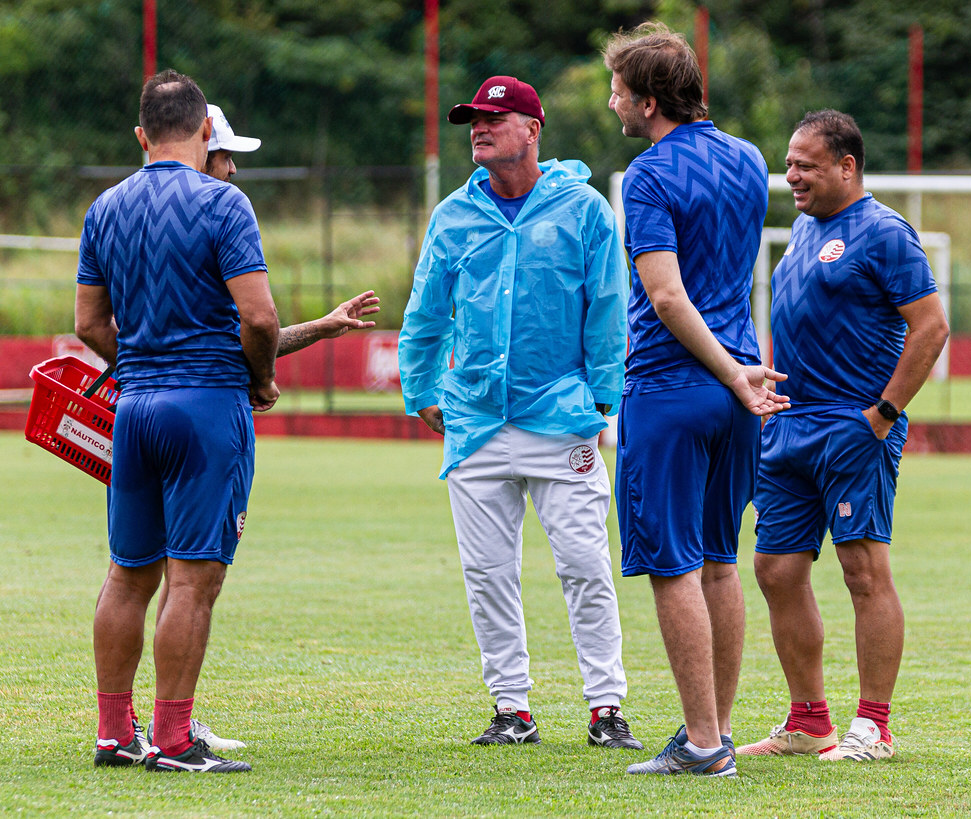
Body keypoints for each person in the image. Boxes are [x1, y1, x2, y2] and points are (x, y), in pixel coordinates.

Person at [75, 70, 374, 774]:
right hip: (206, 408)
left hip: (136, 407)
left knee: (127, 575)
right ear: (206, 132)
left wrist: (146, 363)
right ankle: (175, 740)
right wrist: (262, 376)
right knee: (193, 580)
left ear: (141, 135)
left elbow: (88, 323)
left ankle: (115, 731)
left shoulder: (105, 207)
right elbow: (259, 315)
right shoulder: (223, 203)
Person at [398, 75, 642, 749]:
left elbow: (607, 308)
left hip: (562, 416)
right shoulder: (453, 216)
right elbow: (424, 312)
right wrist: (420, 387)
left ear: (532, 130)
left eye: (492, 119)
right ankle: (512, 708)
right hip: (474, 420)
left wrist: (601, 397)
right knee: (486, 572)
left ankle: (605, 705)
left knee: (584, 564)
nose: (477, 128)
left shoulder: (585, 210)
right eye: (472, 120)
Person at [603, 23, 790, 778]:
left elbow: (667, 296)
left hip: (676, 387)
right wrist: (741, 373)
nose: (612, 100)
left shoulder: (647, 175)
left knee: (674, 565)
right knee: (720, 560)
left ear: (649, 102)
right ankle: (711, 732)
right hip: (738, 386)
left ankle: (706, 744)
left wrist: (725, 371)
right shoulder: (747, 157)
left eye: (618, 89)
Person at [736, 110, 949, 762]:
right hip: (788, 425)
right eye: (790, 162)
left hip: (853, 426)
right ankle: (808, 721)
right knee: (774, 569)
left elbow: (932, 326)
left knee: (863, 571)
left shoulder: (884, 232)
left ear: (847, 166)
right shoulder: (802, 228)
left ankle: (874, 727)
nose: (791, 174)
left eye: (805, 163)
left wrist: (882, 414)